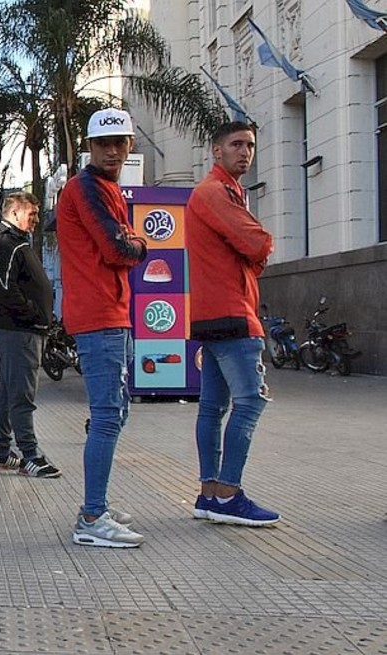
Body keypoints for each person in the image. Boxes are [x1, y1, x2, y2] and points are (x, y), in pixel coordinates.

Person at [57, 108, 148, 548]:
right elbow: (118, 249)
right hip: (100, 316)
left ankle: (98, 505)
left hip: (110, 314)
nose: (112, 150)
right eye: (103, 143)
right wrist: (141, 244)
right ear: (89, 147)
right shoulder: (87, 188)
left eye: (120, 142)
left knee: (115, 412)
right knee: (109, 415)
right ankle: (92, 516)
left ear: (130, 145)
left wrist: (132, 244)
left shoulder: (104, 188)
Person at [186, 121, 279, 527]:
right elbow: (258, 244)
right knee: (250, 401)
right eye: (236, 144)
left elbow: (250, 248)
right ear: (216, 150)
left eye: (251, 145)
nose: (246, 152)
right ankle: (228, 493)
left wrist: (251, 253)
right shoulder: (215, 192)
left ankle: (209, 494)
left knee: (212, 407)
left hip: (211, 313)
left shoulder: (221, 192)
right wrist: (256, 252)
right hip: (233, 313)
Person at [0, 191, 61, 479]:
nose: (37, 220)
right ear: (14, 212)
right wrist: (35, 315)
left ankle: (2, 452)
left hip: (21, 328)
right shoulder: (3, 242)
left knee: (9, 388)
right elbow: (5, 289)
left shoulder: (14, 242)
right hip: (18, 329)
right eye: (33, 213)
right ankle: (31, 456)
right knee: (22, 393)